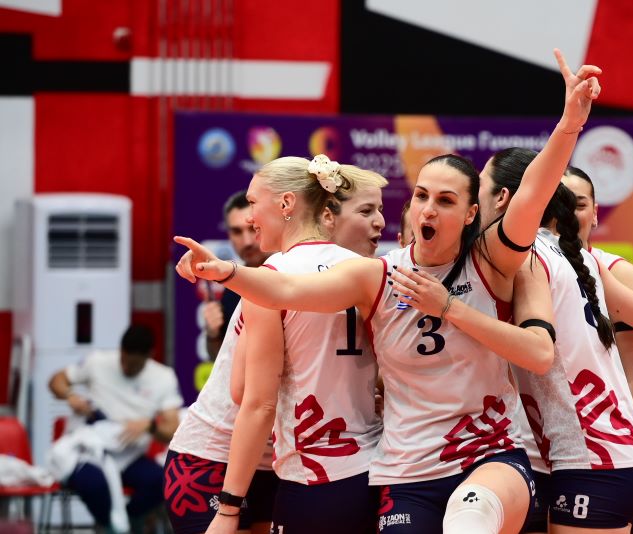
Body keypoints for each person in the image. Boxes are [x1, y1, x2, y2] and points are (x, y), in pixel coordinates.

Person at [175, 48, 601, 534]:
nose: (428, 209)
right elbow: (285, 287)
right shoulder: (376, 274)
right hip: (406, 471)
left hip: (486, 456)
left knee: (472, 516)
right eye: (421, 196)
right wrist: (224, 271)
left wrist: (569, 125)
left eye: (445, 200)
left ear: (470, 214)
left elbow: (532, 194)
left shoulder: (491, 260)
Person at [164, 162, 388, 534]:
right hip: (235, 455)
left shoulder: (274, 277)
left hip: (287, 465)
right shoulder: (372, 272)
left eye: (253, 203)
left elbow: (251, 396)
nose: (378, 223)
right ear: (327, 214)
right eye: (366, 211)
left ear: (289, 204)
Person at [477, 147, 633, 533]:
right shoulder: (581, 259)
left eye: (480, 186)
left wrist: (450, 308)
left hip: (596, 455)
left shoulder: (546, 258)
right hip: (586, 455)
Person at [564, 165, 633, 533]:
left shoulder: (613, 270)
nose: (567, 213)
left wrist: (613, 444)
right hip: (554, 456)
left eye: (578, 204)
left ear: (595, 213)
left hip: (608, 457)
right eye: (557, 203)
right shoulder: (532, 267)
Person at [49, 325, 183, 531]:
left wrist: (150, 426)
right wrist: (70, 396)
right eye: (123, 361)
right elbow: (56, 381)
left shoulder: (164, 377)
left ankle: (127, 523)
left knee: (163, 481)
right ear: (120, 350)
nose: (127, 368)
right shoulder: (97, 362)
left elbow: (172, 430)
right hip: (91, 453)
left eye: (134, 365)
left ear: (149, 356)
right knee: (93, 484)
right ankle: (109, 526)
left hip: (130, 454)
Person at [203, 191, 272, 359]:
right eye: (237, 231)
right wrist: (213, 333)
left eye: (253, 228)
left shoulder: (295, 270)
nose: (247, 241)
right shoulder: (233, 288)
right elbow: (221, 360)